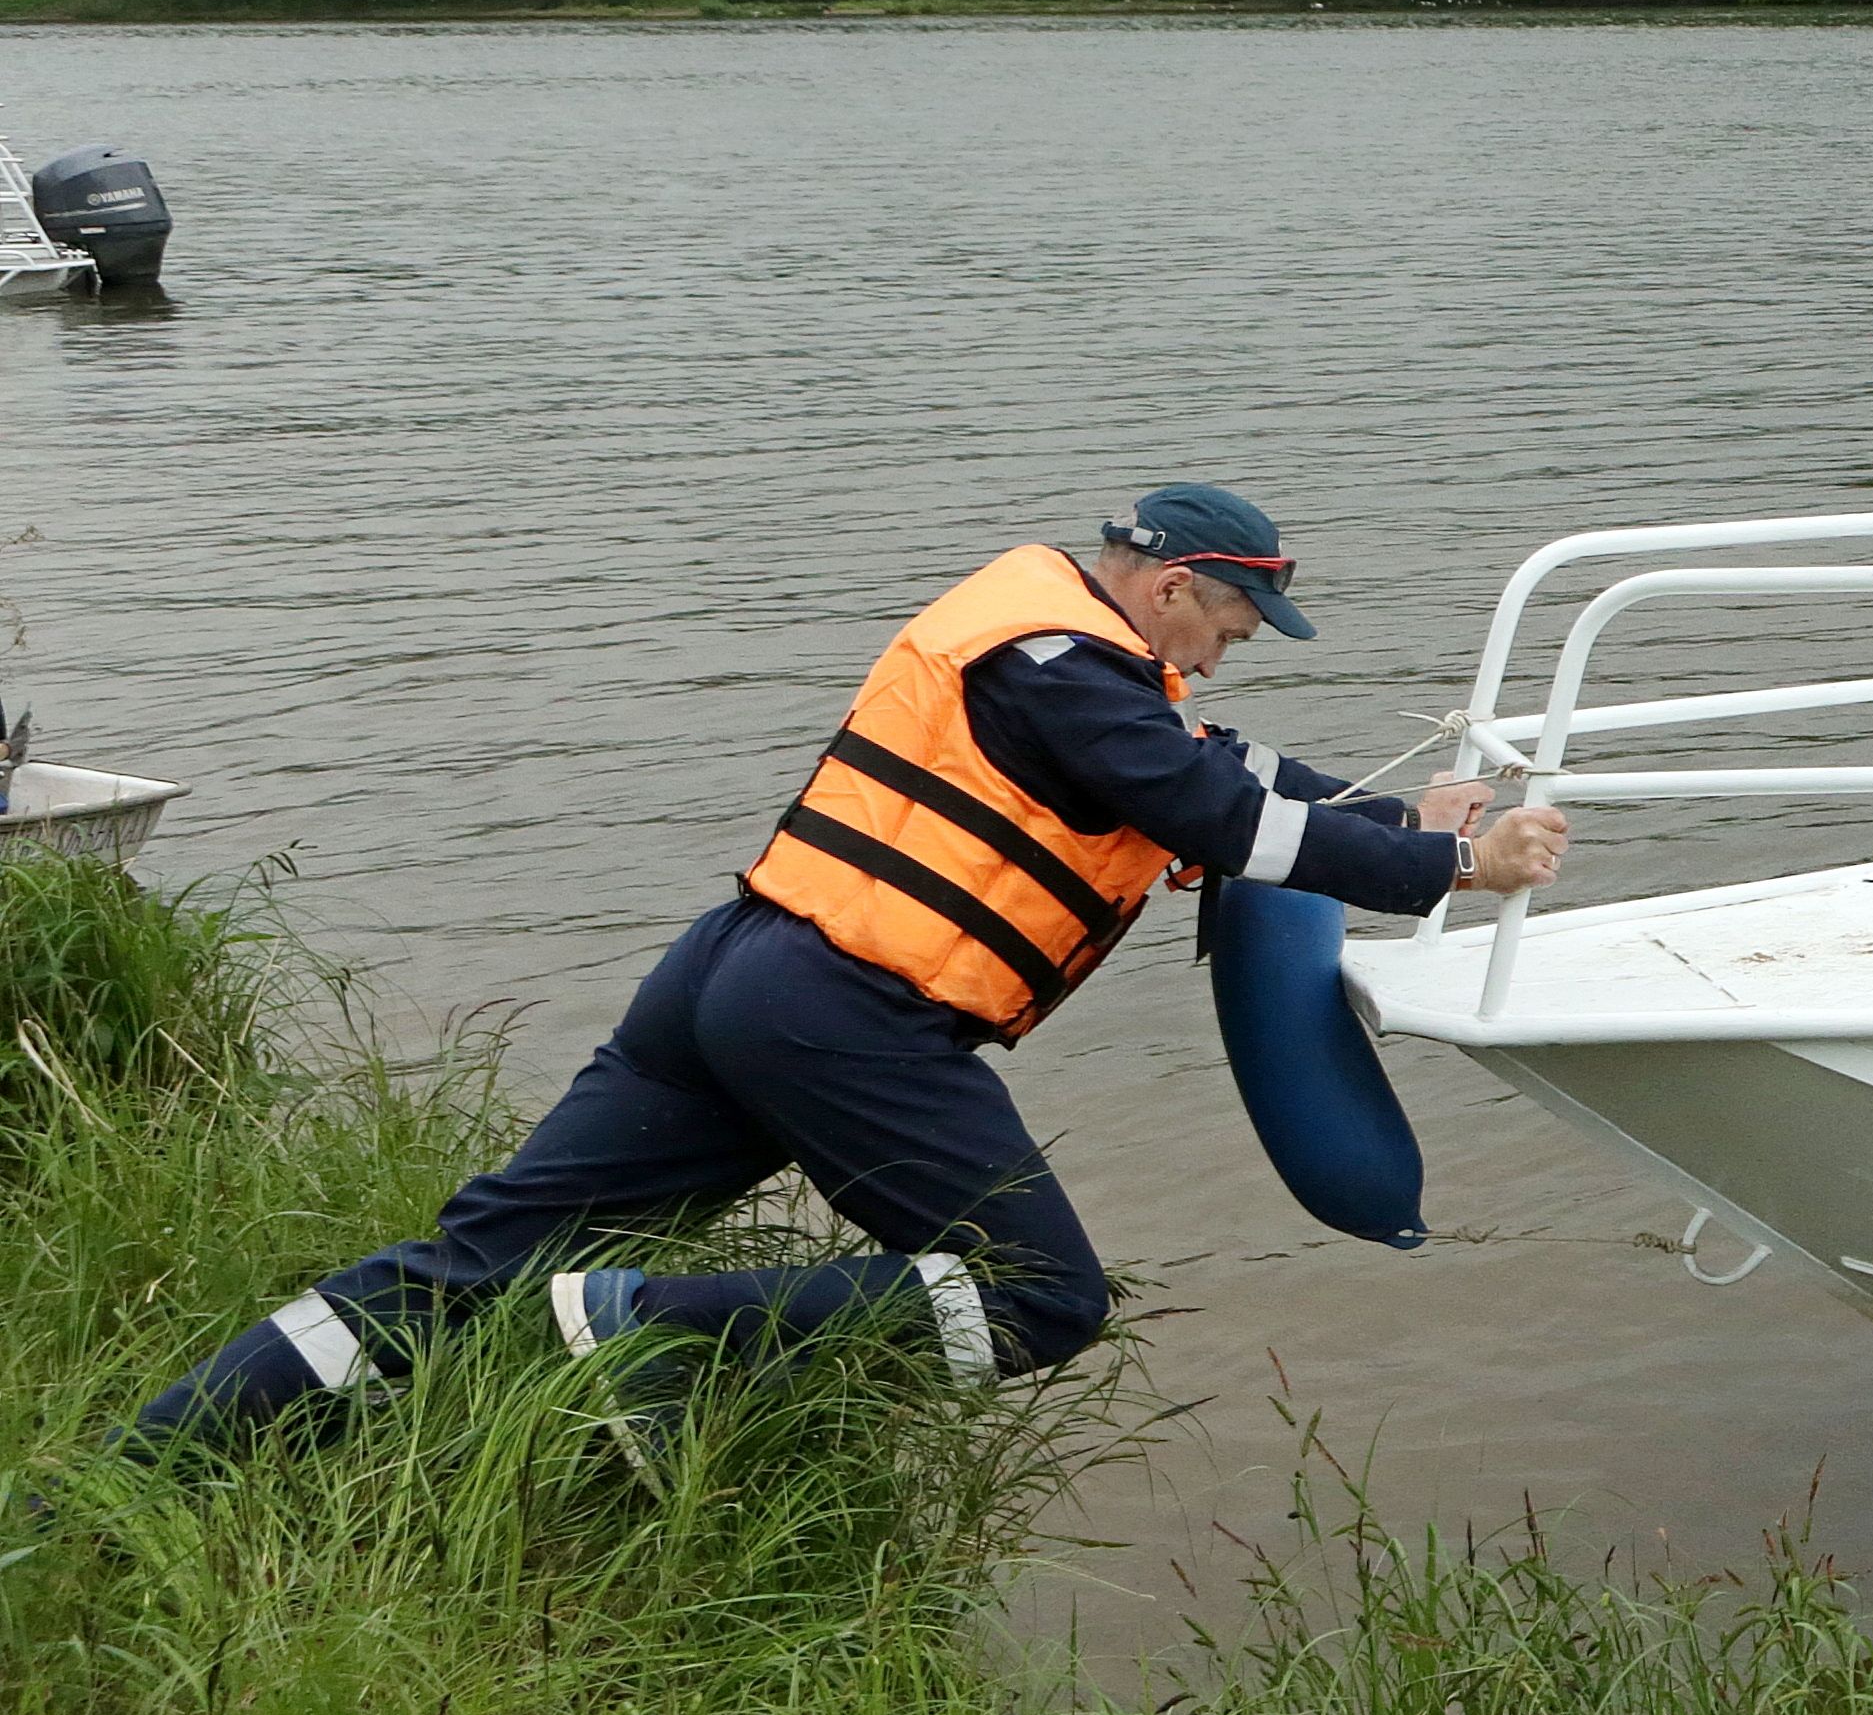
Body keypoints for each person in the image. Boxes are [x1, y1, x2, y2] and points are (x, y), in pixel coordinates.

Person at [116, 488, 1569, 1451]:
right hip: (844, 1013)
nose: (1238, 650)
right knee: (1040, 1298)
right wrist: (1452, 869)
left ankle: (123, 1481)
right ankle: (639, 1335)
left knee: (472, 1266)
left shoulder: (1081, 661)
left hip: (734, 974)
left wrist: (1400, 813)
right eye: (1237, 623)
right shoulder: (1063, 663)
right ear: (1177, 586)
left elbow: (1241, 772)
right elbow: (1209, 811)